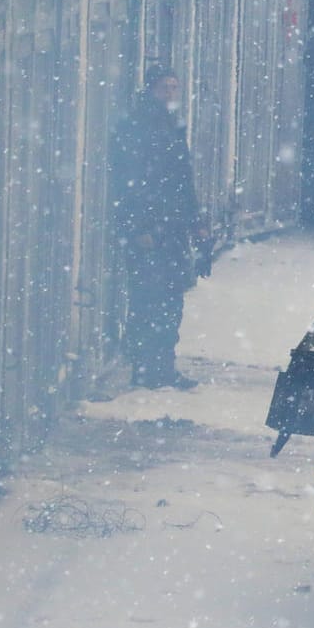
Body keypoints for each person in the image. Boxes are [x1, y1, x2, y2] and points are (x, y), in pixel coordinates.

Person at [109, 67, 206, 390]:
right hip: (153, 226)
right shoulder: (139, 127)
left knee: (165, 297)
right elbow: (130, 181)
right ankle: (149, 365)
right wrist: (139, 226)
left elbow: (182, 175)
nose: (171, 92)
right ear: (151, 88)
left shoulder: (167, 124)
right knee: (151, 297)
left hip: (170, 225)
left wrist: (195, 220)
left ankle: (158, 364)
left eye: (175, 87)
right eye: (165, 87)